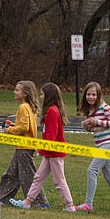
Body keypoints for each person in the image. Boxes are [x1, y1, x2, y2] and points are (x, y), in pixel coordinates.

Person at [9, 83, 76, 211]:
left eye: (42, 94)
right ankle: (27, 202)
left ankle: (70, 206)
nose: (40, 96)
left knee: (59, 180)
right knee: (38, 177)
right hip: (49, 153)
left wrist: (43, 149)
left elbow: (51, 134)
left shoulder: (52, 111)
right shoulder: (53, 110)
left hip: (54, 153)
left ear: (48, 96)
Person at [74, 82, 110, 213]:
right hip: (100, 144)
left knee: (91, 171)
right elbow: (93, 128)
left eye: (94, 94)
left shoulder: (104, 107)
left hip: (109, 144)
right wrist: (87, 125)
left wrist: (96, 121)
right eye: (88, 94)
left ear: (98, 95)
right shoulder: (90, 110)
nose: (91, 97)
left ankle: (88, 204)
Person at [0, 81, 49, 208]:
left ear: (25, 93)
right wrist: (14, 125)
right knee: (12, 174)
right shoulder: (29, 107)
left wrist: (8, 130)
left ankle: (40, 202)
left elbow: (24, 128)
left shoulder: (23, 107)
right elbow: (27, 126)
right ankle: (3, 198)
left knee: (28, 175)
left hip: (24, 147)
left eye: (17, 90)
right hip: (23, 146)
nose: (14, 92)